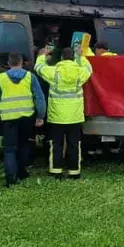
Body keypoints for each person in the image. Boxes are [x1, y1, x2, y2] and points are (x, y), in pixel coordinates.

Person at [0, 52, 46, 187]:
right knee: (24, 144)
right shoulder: (30, 77)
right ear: (21, 63)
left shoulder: (1, 78)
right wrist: (40, 116)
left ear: (8, 63)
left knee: (9, 148)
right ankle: (22, 172)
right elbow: (39, 97)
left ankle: (10, 177)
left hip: (8, 118)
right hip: (27, 117)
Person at [37, 45, 93, 178]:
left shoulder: (54, 71)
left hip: (57, 116)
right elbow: (89, 69)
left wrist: (42, 55)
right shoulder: (79, 71)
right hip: (75, 116)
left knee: (56, 144)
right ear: (73, 58)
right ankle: (74, 172)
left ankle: (56, 171)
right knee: (74, 144)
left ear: (61, 58)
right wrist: (82, 56)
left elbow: (39, 68)